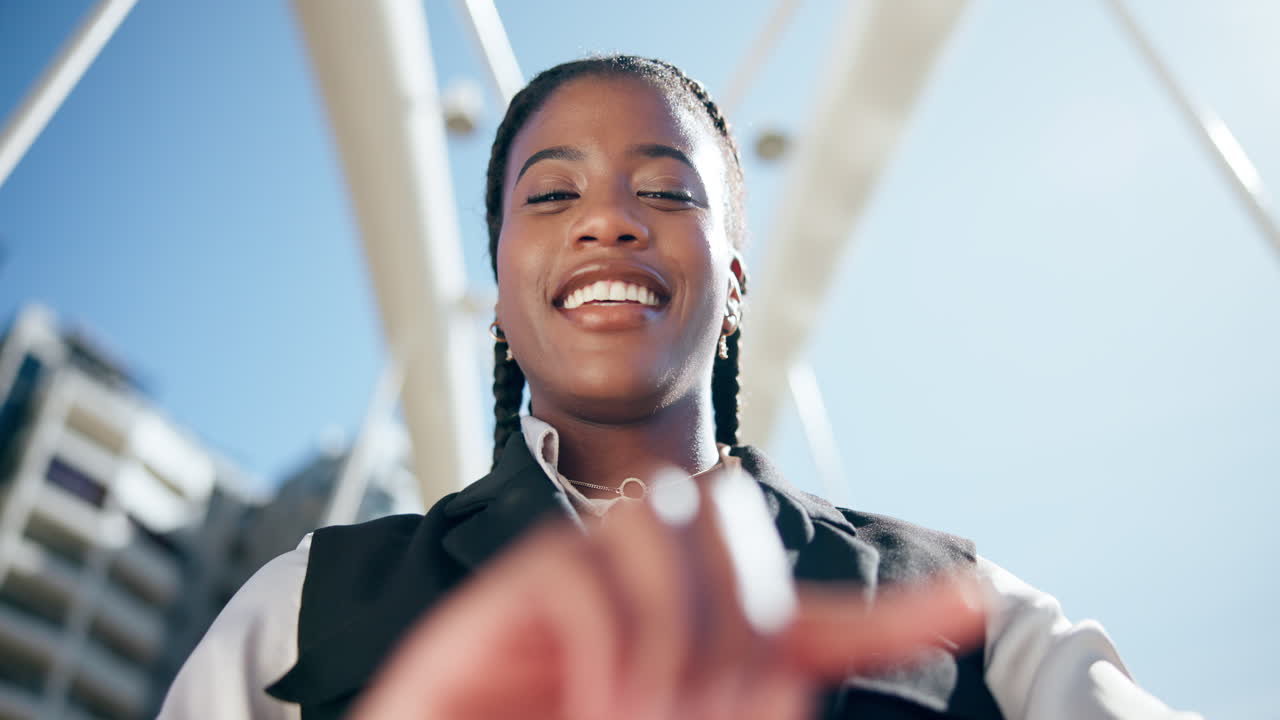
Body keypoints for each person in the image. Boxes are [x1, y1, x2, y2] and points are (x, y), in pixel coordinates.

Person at [158, 56, 1201, 720]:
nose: (604, 220)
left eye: (662, 190)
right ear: (497, 299)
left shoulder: (969, 611)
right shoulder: (307, 605)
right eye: (551, 193)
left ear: (735, 284)